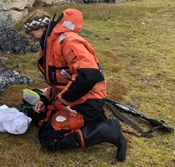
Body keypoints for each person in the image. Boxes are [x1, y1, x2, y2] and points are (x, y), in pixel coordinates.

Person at [23, 8, 127, 161]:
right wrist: (45, 99)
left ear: (43, 28)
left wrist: (65, 101)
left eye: (32, 34)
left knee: (48, 138)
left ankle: (105, 131)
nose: (32, 39)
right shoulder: (50, 46)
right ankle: (95, 120)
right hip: (73, 97)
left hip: (87, 99)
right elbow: (59, 81)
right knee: (37, 116)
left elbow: (89, 75)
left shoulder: (68, 41)